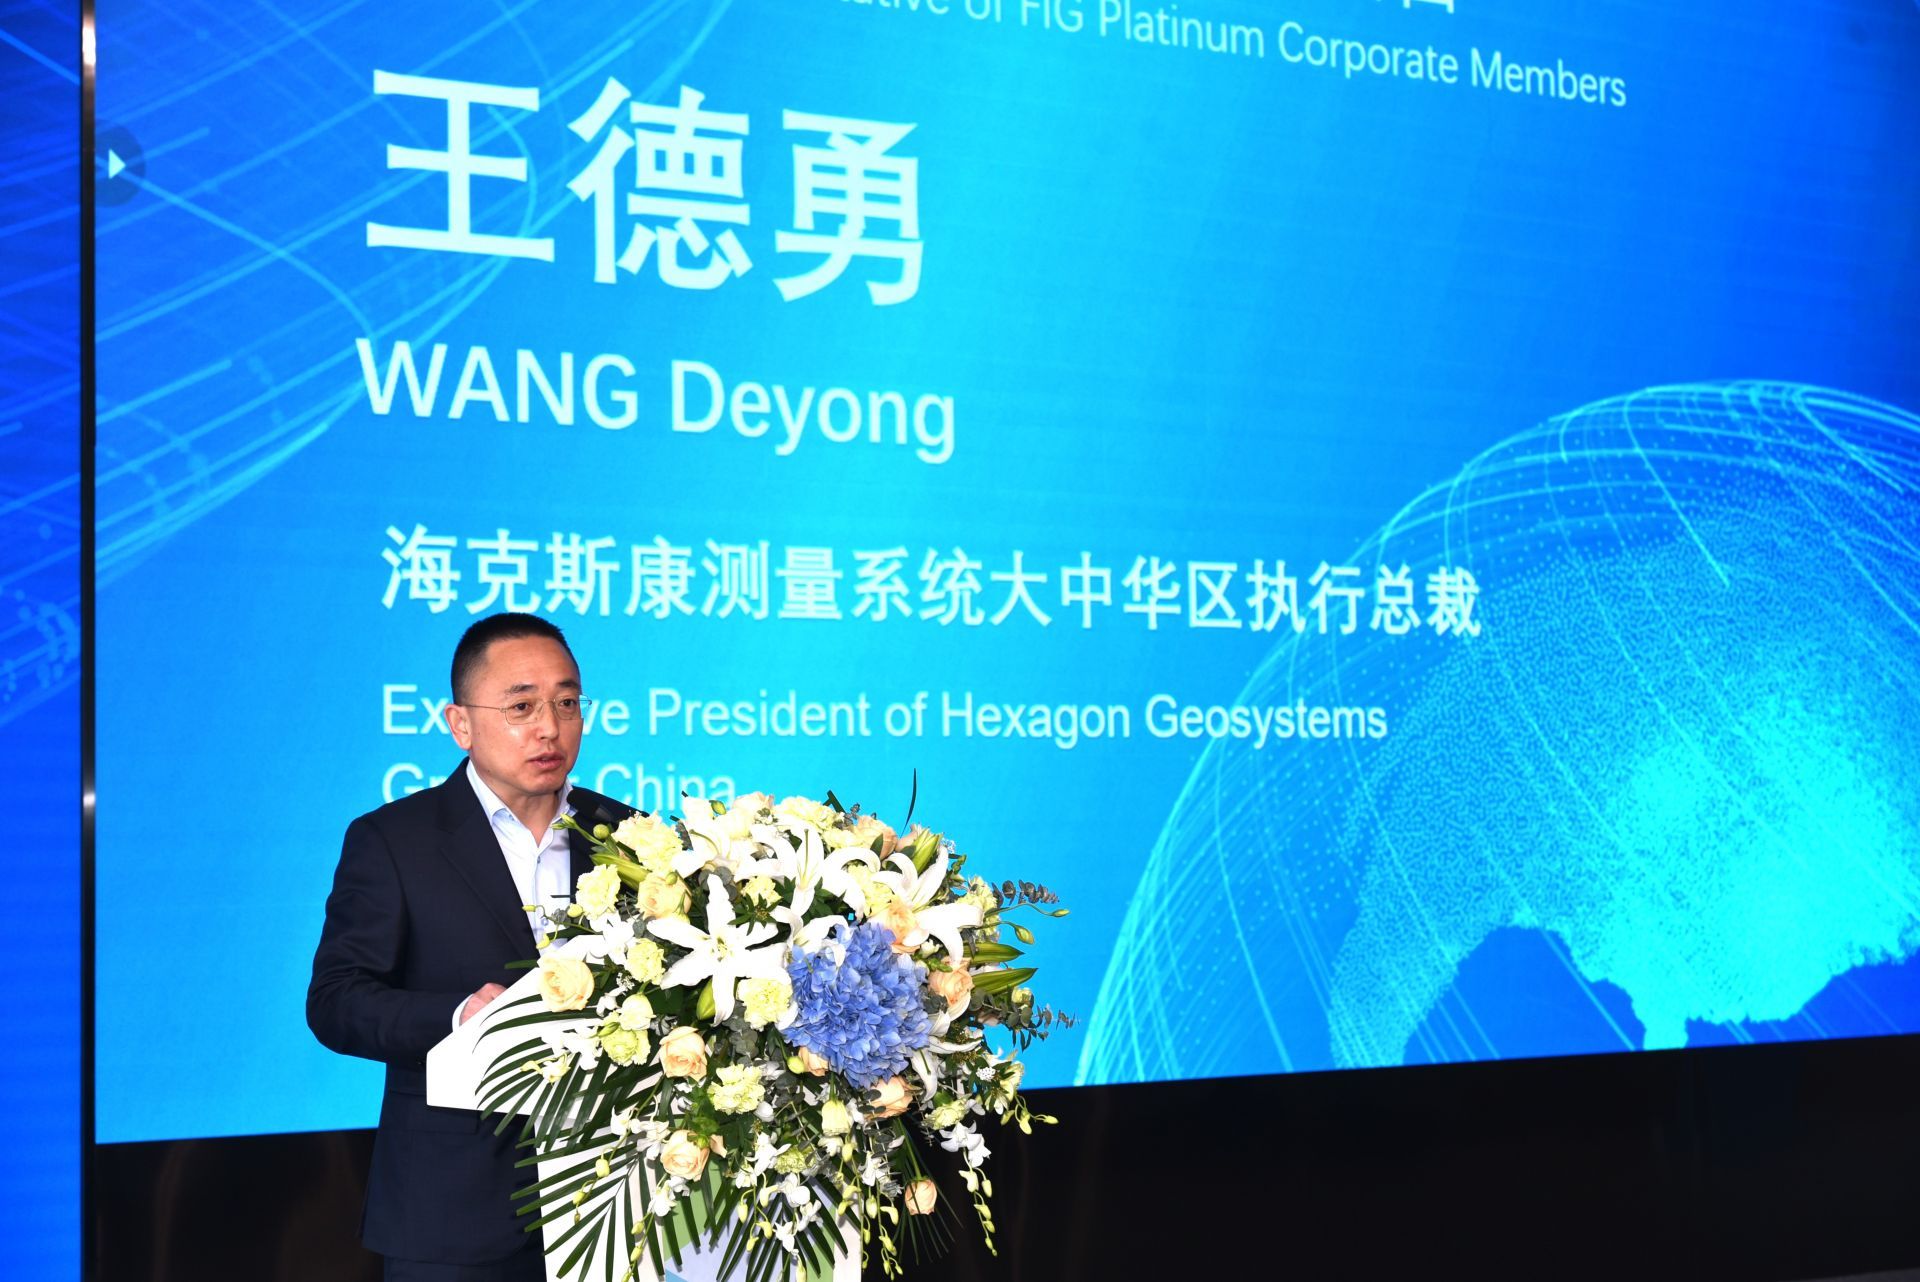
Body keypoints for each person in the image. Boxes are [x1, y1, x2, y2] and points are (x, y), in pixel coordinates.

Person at [308, 613, 633, 1281]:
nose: (550, 728)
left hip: (610, 1201)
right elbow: (337, 1001)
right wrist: (457, 1017)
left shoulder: (627, 834)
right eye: (522, 707)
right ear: (460, 724)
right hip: (451, 1212)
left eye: (567, 703)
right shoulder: (395, 841)